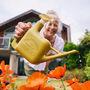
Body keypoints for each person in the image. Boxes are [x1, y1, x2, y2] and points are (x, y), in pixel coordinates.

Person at [14, 10, 64, 76]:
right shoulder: (35, 33)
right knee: (31, 82)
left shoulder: (59, 42)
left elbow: (50, 58)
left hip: (43, 65)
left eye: (55, 25)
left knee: (42, 83)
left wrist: (43, 69)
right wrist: (21, 33)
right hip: (30, 64)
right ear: (44, 24)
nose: (52, 27)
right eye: (50, 24)